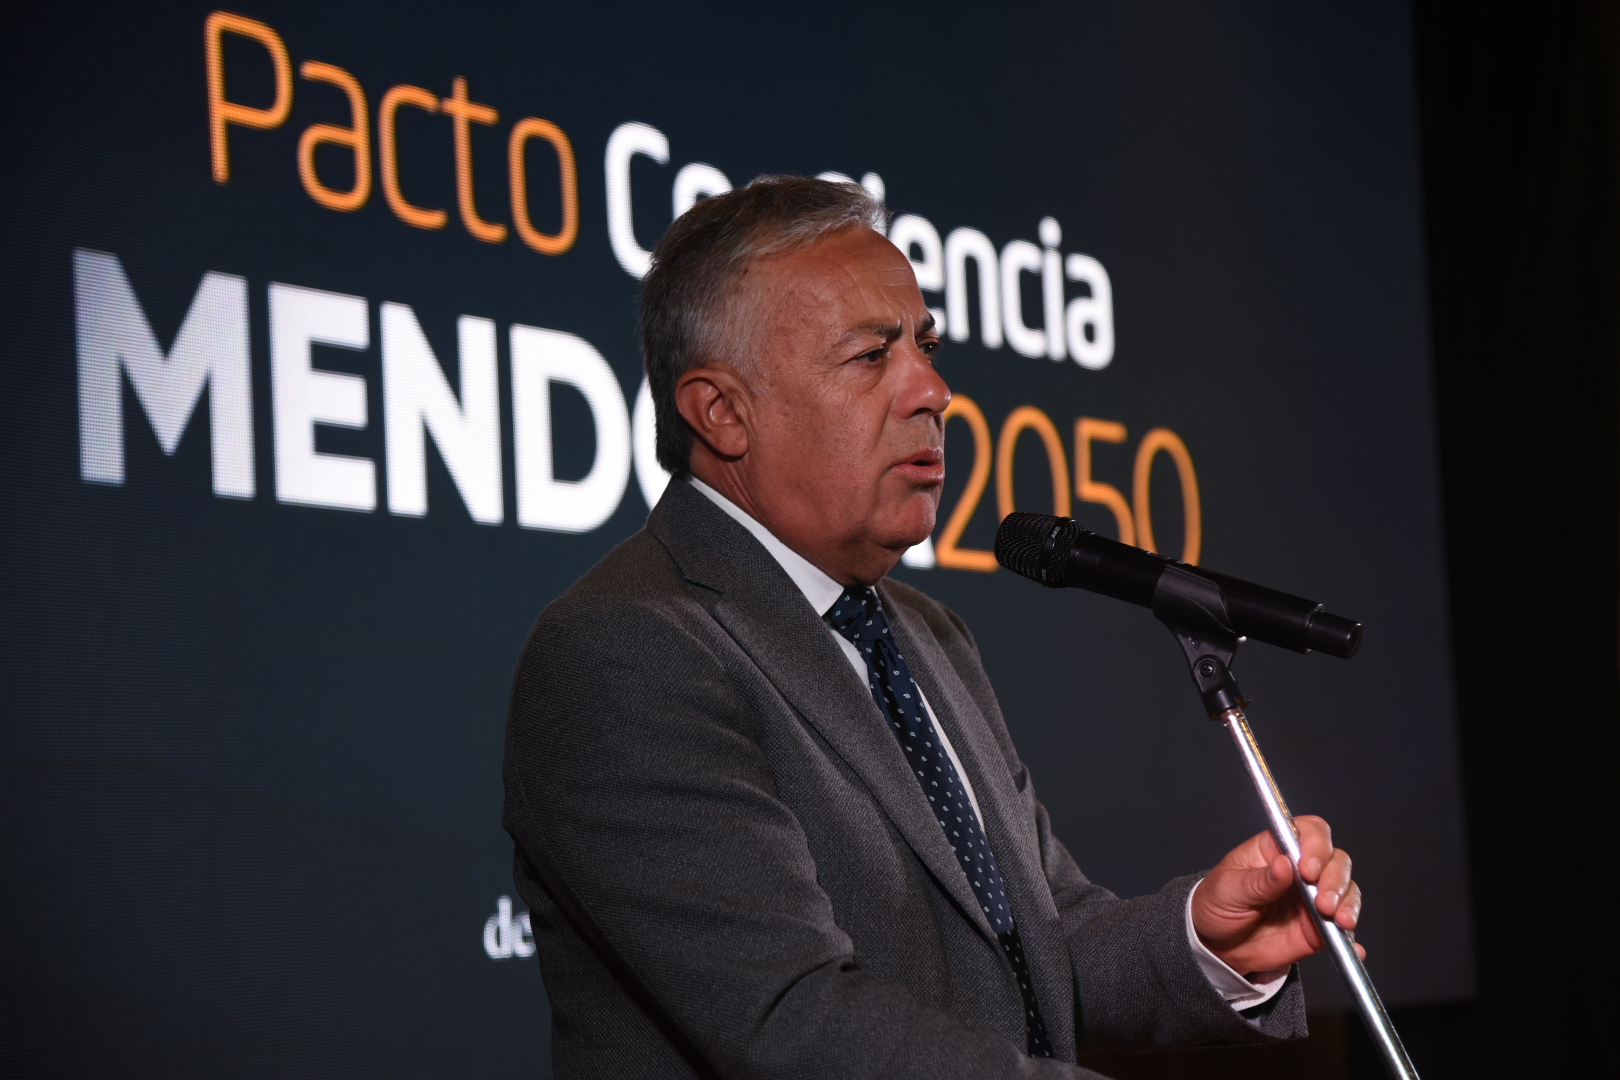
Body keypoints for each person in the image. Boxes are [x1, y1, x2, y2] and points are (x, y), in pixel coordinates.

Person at [502, 176, 1363, 1077]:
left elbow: (1035, 951)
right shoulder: (625, 651)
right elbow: (795, 1025)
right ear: (723, 413)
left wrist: (1204, 945)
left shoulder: (927, 633)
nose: (935, 390)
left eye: (926, 345)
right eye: (871, 356)